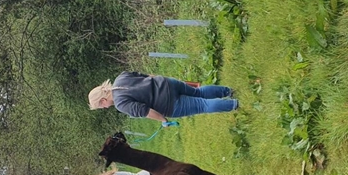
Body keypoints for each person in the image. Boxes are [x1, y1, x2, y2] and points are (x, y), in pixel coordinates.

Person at [88, 71, 237, 121]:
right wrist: (164, 80)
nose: (105, 108)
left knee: (202, 105)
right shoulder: (121, 77)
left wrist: (163, 120)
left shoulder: (120, 104)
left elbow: (146, 111)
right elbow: (149, 76)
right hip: (167, 83)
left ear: (103, 100)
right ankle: (229, 91)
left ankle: (235, 104)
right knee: (199, 92)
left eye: (101, 106)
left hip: (168, 104)